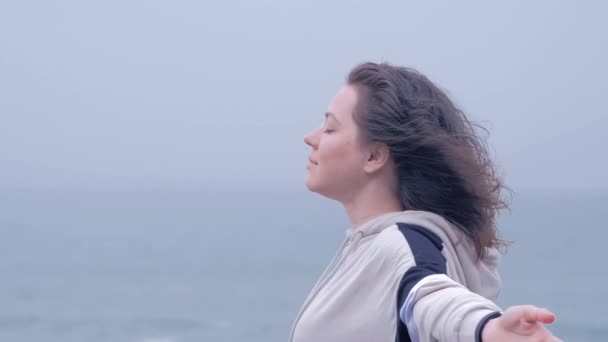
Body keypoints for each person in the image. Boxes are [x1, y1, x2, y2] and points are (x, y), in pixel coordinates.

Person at [289, 62, 561, 342]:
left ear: (373, 157)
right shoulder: (374, 244)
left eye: (330, 129)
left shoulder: (401, 246)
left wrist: (487, 328)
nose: (311, 138)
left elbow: (431, 296)